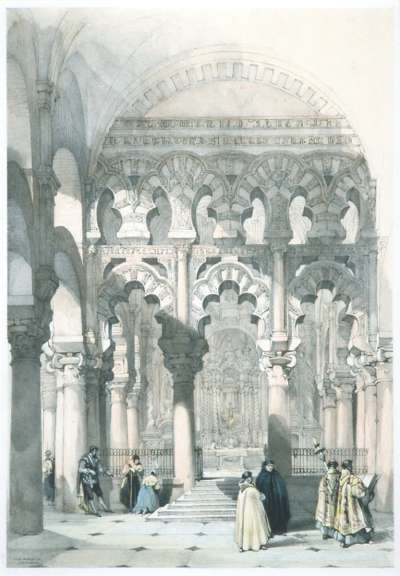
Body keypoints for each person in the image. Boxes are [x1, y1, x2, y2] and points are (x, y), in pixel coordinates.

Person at [334, 460, 374, 548]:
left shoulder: (340, 477)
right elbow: (358, 493)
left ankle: (344, 541)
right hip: (353, 506)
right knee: (360, 520)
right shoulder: (352, 478)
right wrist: (366, 490)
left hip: (343, 507)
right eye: (351, 466)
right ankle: (364, 539)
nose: (352, 467)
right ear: (349, 467)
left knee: (345, 523)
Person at [235, 470, 271, 552]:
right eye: (247, 478)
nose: (249, 479)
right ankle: (245, 545)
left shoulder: (250, 486)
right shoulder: (244, 488)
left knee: (256, 525)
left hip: (254, 509)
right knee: (249, 525)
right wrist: (261, 495)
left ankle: (259, 544)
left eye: (250, 478)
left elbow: (257, 496)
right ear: (244, 479)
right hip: (248, 511)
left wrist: (260, 495)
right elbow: (259, 496)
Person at [256, 459, 290, 535]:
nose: (270, 467)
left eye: (272, 466)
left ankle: (278, 530)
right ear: (265, 466)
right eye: (269, 466)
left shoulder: (276, 474)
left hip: (276, 499)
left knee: (278, 513)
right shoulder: (261, 476)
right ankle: (268, 531)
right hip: (266, 500)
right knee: (268, 514)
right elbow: (258, 488)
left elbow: (281, 485)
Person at [78, 445, 113, 517]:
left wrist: (107, 472)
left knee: (99, 493)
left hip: (94, 480)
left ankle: (105, 508)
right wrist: (89, 471)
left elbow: (100, 468)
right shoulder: (85, 459)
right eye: (95, 451)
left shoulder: (96, 459)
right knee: (90, 496)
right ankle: (94, 511)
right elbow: (80, 469)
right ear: (93, 451)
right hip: (86, 480)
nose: (96, 453)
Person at [315, 460, 340, 539]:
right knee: (334, 516)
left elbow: (321, 489)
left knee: (326, 517)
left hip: (327, 501)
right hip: (335, 500)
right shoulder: (339, 476)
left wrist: (326, 493)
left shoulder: (325, 477)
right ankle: (332, 533)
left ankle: (325, 533)